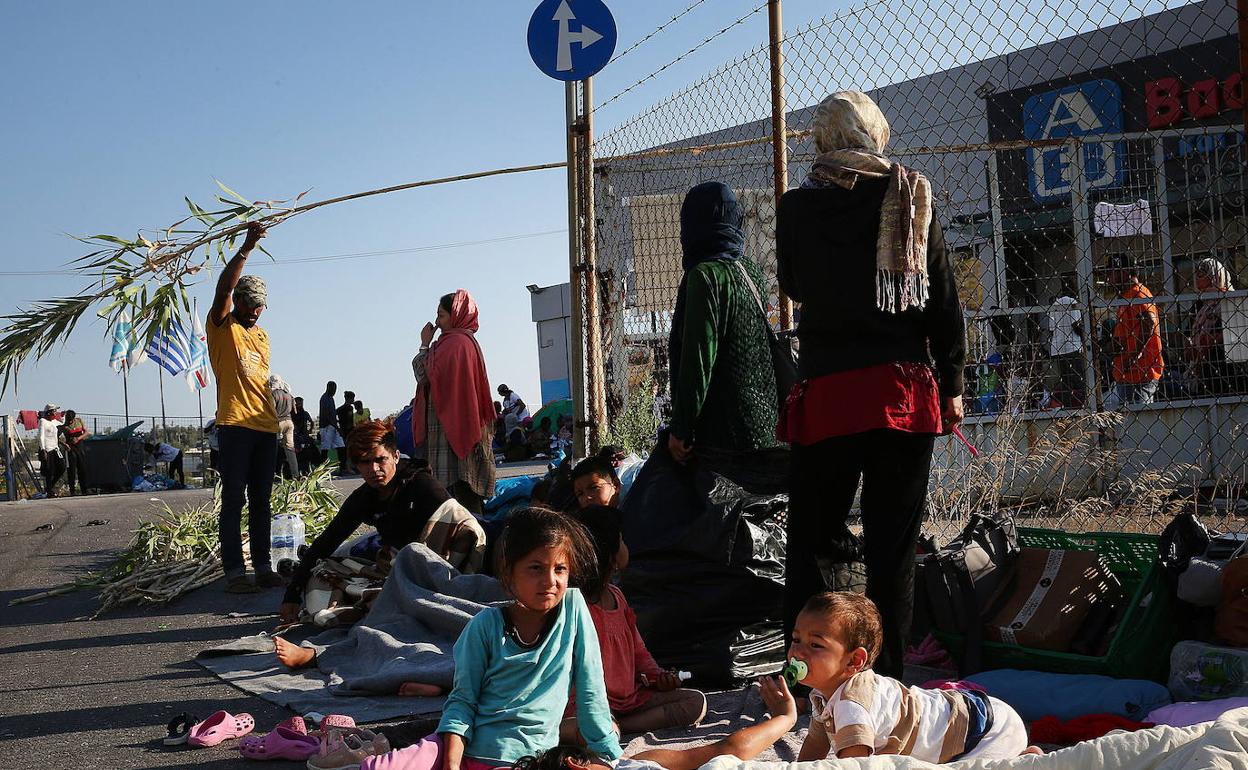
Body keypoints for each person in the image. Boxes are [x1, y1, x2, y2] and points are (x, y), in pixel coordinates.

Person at [776, 91, 966, 677]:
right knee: (894, 547)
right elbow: (942, 299)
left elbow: (794, 285)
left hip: (829, 397)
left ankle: (808, 671)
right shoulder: (910, 196)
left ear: (823, 138)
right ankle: (888, 679)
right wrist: (953, 382)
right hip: (899, 397)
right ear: (876, 133)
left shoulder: (797, 207)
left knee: (811, 540)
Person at [343, 508, 622, 770]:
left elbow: (591, 690)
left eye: (560, 569)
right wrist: (452, 764)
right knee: (383, 765)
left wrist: (608, 755)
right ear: (509, 572)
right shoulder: (484, 626)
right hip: (470, 751)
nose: (550, 581)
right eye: (536, 568)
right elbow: (463, 701)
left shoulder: (573, 610)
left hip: (529, 760)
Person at [275, 419, 486, 628]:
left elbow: (457, 522)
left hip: (434, 569)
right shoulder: (364, 497)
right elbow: (327, 541)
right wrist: (292, 595)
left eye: (380, 460)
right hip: (392, 569)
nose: (374, 469)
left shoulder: (422, 486)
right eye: (365, 462)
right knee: (323, 570)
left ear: (395, 456)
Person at [791, 592, 1037, 761]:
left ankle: (1026, 762)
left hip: (987, 732)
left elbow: (855, 766)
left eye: (815, 645)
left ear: (854, 661)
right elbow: (816, 744)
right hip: (968, 713)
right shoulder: (823, 696)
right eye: (796, 639)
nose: (798, 652)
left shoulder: (852, 705)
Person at [562, 505, 707, 740]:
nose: (625, 545)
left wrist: (658, 677)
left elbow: (639, 652)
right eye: (621, 540)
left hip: (630, 701)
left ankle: (622, 726)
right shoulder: (576, 606)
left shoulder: (617, 596)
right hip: (590, 704)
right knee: (596, 726)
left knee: (695, 702)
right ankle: (611, 726)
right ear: (609, 554)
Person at [667, 182, 779, 464]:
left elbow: (698, 359)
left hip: (722, 430)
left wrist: (681, 428)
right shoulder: (749, 270)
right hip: (763, 417)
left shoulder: (704, 276)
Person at [206, 221, 282, 593]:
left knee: (261, 501)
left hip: (265, 427)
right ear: (238, 301)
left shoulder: (262, 335)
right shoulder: (223, 325)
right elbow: (223, 288)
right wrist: (247, 246)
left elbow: (259, 378)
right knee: (234, 499)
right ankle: (235, 572)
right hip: (234, 424)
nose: (254, 311)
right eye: (248, 304)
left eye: (259, 305)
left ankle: (264, 567)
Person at [518, 676, 794, 770]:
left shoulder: (635, 762)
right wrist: (785, 718)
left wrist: (785, 718)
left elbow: (725, 752)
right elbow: (728, 750)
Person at [411, 290, 497, 514]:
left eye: (441, 316)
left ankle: (467, 533)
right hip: (462, 425)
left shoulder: (454, 343)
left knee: (457, 494)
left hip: (450, 430)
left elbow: (423, 375)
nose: (437, 322)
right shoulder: (465, 342)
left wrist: (424, 345)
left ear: (456, 315)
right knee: (464, 492)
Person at [1106, 253, 1164, 406]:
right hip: (1127, 373)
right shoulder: (1126, 297)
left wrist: (1134, 355)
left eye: (1111, 273)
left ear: (1124, 272)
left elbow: (1149, 322)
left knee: (1140, 416)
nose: (1108, 279)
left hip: (1140, 373)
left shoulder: (1138, 293)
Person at [1186, 257, 1235, 396]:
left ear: (1215, 275)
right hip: (1202, 367)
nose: (1198, 278)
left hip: (1224, 363)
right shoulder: (1200, 304)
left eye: (1203, 274)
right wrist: (1191, 344)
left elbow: (1230, 331)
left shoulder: (1229, 300)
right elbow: (1188, 333)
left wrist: (1212, 340)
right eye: (1197, 273)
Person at [1043, 290, 1084, 408]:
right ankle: (1081, 404)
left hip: (1058, 348)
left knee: (1065, 379)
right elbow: (1076, 325)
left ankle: (1068, 405)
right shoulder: (1072, 302)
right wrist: (1084, 336)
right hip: (1072, 346)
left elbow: (1051, 329)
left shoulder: (1054, 305)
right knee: (1078, 378)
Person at [270, 374, 299, 479]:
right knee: (290, 449)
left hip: (278, 423)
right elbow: (295, 411)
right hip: (289, 422)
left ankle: (272, 474)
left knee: (272, 449)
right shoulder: (288, 394)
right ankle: (295, 474)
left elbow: (272, 409)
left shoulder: (273, 393)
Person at [58, 409, 91, 496]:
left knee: (82, 469)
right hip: (70, 449)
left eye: (71, 420)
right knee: (71, 470)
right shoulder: (63, 426)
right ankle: (72, 491)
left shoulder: (79, 421)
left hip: (80, 447)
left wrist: (78, 438)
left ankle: (84, 490)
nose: (69, 422)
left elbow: (87, 432)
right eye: (68, 419)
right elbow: (56, 437)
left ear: (74, 418)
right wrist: (64, 444)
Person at [37, 404, 65, 497]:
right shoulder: (42, 421)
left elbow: (62, 424)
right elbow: (41, 436)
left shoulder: (54, 422)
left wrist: (63, 416)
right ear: (49, 412)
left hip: (55, 448)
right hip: (47, 449)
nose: (55, 413)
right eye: (54, 411)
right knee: (49, 471)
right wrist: (43, 449)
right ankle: (49, 491)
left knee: (62, 467)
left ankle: (49, 487)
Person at [319, 381, 346, 470]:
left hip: (333, 426)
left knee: (341, 446)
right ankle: (322, 469)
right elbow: (327, 415)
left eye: (335, 389)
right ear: (328, 388)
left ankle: (342, 468)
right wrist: (337, 427)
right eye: (333, 389)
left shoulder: (331, 398)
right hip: (326, 426)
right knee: (325, 448)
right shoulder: (324, 398)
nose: (334, 391)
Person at [337, 390, 358, 474]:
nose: (353, 400)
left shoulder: (340, 409)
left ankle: (347, 467)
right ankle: (349, 467)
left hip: (342, 430)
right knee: (349, 450)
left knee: (346, 450)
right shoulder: (349, 408)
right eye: (352, 398)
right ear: (349, 398)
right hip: (348, 431)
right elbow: (349, 420)